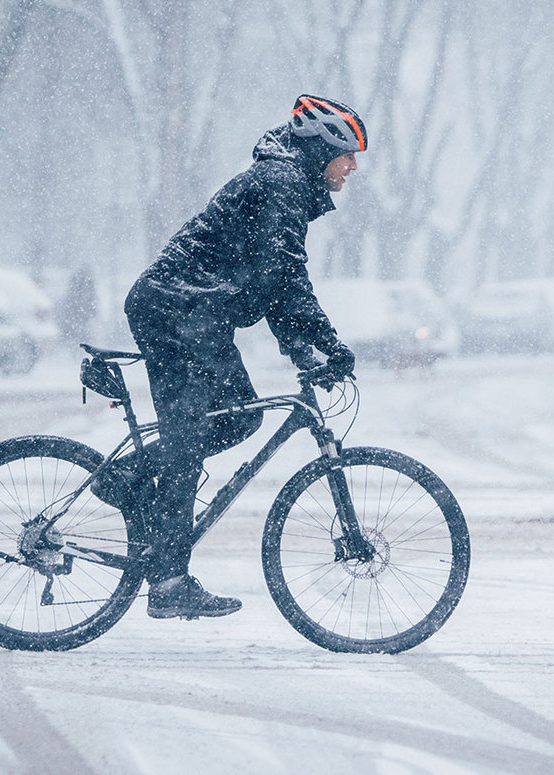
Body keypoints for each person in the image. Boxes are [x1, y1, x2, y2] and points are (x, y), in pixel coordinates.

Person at [97, 94, 366, 620]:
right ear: (323, 148)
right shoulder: (280, 186)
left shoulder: (284, 185)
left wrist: (302, 345)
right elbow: (285, 278)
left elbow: (274, 281)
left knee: (231, 422)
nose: (353, 167)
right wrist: (324, 344)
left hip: (194, 312)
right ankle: (169, 581)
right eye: (349, 153)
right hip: (178, 310)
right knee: (192, 438)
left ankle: (132, 480)